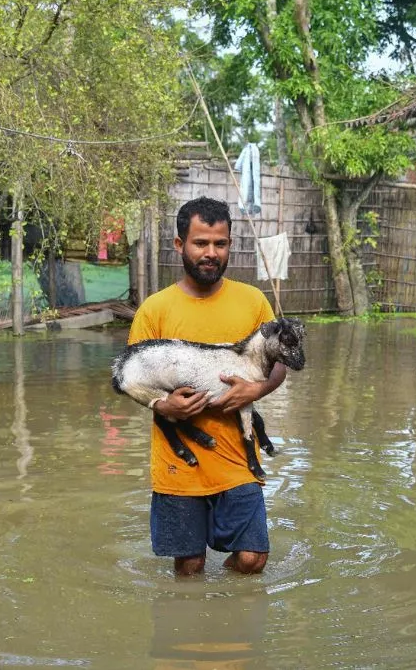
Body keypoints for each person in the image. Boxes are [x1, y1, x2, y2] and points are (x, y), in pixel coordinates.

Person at [127, 196, 287, 576]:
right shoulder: (155, 310)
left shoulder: (253, 303)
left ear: (230, 244)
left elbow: (278, 367)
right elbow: (133, 380)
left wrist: (256, 391)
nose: (211, 253)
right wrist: (162, 406)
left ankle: (229, 621)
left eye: (220, 243)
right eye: (201, 243)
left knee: (253, 560)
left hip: (237, 460)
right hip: (178, 465)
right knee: (190, 566)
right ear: (180, 245)